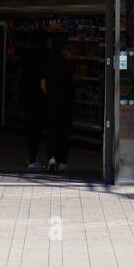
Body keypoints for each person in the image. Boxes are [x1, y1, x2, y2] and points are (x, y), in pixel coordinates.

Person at [44, 37, 76, 172]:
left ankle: (52, 158)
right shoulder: (69, 64)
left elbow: (43, 85)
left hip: (52, 103)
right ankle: (63, 161)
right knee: (64, 132)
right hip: (66, 103)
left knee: (52, 131)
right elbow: (73, 82)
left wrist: (49, 97)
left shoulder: (49, 64)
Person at [18, 36, 47, 170]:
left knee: (30, 128)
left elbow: (19, 75)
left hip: (26, 96)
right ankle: (33, 158)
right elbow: (43, 84)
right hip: (38, 99)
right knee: (36, 129)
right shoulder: (43, 59)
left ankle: (30, 157)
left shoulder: (25, 57)